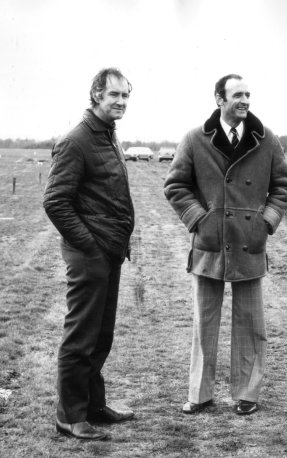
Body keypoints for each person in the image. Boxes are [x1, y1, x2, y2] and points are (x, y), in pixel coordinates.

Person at [164, 74, 287, 415]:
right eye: (238, 94)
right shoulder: (195, 139)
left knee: (251, 322)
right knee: (204, 321)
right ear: (219, 99)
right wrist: (198, 219)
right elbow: (175, 185)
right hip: (209, 243)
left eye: (249, 94)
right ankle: (199, 393)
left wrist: (266, 221)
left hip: (250, 243)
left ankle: (247, 394)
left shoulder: (266, 141)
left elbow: (282, 187)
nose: (245, 100)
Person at [43, 68, 135, 440]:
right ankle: (70, 416)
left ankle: (94, 406)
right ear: (96, 94)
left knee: (101, 336)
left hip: (108, 252)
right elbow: (55, 202)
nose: (121, 102)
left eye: (126, 96)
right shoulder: (77, 140)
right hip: (91, 253)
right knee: (81, 336)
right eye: (114, 95)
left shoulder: (108, 135)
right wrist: (90, 246)